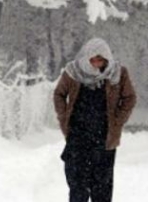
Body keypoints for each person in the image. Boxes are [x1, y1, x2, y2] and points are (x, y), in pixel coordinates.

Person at [53, 37, 137, 202]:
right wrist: (63, 118)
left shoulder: (118, 73)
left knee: (102, 188)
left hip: (104, 138)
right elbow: (59, 94)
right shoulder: (73, 72)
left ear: (107, 59)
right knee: (77, 187)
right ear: (86, 58)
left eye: (101, 60)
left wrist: (118, 120)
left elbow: (130, 98)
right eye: (93, 59)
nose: (97, 63)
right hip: (78, 137)